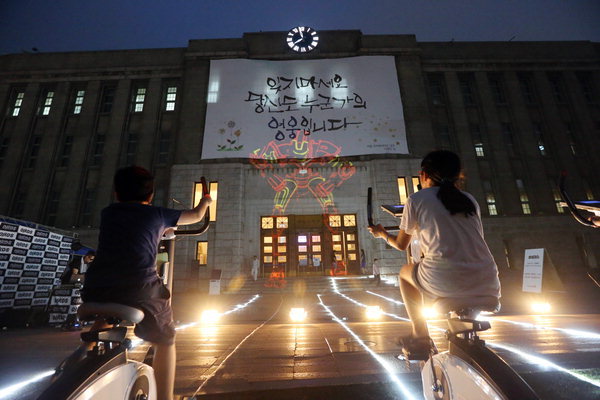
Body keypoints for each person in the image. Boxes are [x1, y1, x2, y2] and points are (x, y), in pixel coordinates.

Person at [82, 166, 212, 400]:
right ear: (150, 195)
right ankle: (166, 397)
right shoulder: (157, 215)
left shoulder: (108, 213)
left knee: (105, 318)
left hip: (95, 286)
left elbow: (131, 231)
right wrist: (206, 201)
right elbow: (195, 216)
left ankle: (84, 358)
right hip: (137, 287)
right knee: (166, 339)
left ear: (116, 192)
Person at [369, 150, 500, 358]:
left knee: (405, 272)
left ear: (423, 175)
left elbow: (402, 245)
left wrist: (382, 234)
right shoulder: (469, 200)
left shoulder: (417, 199)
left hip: (444, 278)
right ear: (458, 176)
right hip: (488, 281)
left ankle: (420, 335)